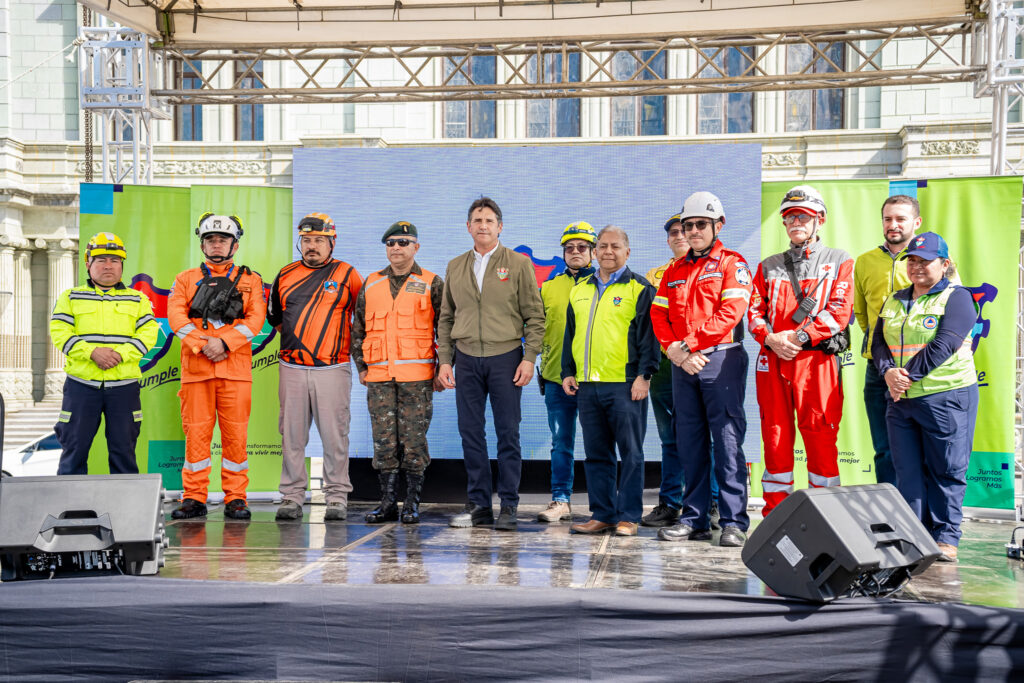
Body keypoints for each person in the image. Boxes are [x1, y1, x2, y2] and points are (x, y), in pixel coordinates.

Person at [651, 193, 752, 547]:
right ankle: (693, 519)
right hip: (683, 363)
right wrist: (674, 351)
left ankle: (734, 521)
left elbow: (731, 313)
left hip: (721, 361)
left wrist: (688, 346)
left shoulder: (732, 263)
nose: (693, 231)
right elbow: (658, 314)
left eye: (700, 224)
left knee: (726, 442)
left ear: (717, 226)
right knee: (689, 443)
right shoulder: (674, 270)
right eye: (688, 225)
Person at [438, 197, 545, 531]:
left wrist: (529, 357)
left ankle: (509, 505)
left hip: (506, 358)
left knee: (507, 433)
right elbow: (446, 317)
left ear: (500, 227)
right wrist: (445, 360)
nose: (482, 225)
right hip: (467, 359)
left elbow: (535, 316)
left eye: (489, 220)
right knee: (470, 433)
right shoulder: (456, 266)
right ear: (468, 227)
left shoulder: (518, 263)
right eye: (477, 220)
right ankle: (479, 506)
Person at [747, 186, 854, 516]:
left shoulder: (840, 260)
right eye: (790, 217)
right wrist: (770, 339)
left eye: (803, 216)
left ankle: (827, 516)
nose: (796, 222)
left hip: (816, 362)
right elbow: (753, 311)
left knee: (820, 436)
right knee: (775, 438)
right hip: (773, 359)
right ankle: (775, 515)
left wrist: (798, 338)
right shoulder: (768, 266)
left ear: (820, 219)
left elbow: (839, 312)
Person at [872, 232, 978, 563]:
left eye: (925, 261)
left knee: (946, 469)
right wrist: (888, 372)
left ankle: (946, 537)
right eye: (912, 261)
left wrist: (904, 376)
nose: (917, 266)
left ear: (944, 264)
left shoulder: (957, 297)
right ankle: (914, 535)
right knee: (907, 471)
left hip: (946, 397)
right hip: (901, 401)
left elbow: (945, 343)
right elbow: (877, 342)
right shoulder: (894, 299)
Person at [168, 213, 267, 520]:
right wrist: (204, 344)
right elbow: (176, 318)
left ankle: (236, 498)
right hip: (196, 372)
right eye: (210, 239)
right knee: (196, 435)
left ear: (234, 245)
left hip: (235, 372)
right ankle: (193, 497)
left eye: (223, 239)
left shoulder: (252, 280)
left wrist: (224, 343)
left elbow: (256, 320)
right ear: (202, 244)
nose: (216, 244)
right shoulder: (184, 279)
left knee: (235, 437)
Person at [564, 226, 660, 537]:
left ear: (627, 252)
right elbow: (570, 334)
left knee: (631, 453)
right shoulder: (579, 290)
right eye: (603, 246)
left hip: (625, 384)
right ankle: (602, 514)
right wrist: (567, 371)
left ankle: (629, 517)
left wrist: (645, 376)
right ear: (595, 252)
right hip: (587, 385)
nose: (608, 251)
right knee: (596, 454)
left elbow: (650, 338)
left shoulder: (639, 288)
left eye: (615, 246)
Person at [267, 213, 362, 522]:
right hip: (291, 368)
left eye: (319, 240)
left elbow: (361, 320)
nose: (312, 246)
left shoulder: (348, 274)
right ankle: (292, 497)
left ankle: (336, 497)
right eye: (307, 240)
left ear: (332, 242)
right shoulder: (285, 274)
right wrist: (302, 346)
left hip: (333, 368)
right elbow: (276, 318)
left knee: (335, 436)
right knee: (291, 436)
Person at [351, 220, 443, 525]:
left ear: (416, 247)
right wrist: (362, 367)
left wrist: (443, 367)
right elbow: (358, 328)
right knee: (384, 443)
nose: (396, 248)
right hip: (379, 379)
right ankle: (388, 503)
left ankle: (412, 503)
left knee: (414, 442)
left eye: (403, 243)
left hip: (417, 379)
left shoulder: (432, 282)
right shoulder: (371, 283)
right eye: (390, 243)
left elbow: (445, 329)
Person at [49, 232, 158, 475]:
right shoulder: (70, 297)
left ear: (122, 265)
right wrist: (92, 353)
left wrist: (120, 355)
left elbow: (149, 334)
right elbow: (59, 332)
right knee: (74, 450)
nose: (108, 265)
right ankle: (69, 500)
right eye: (101, 260)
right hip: (81, 386)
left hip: (124, 387)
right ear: (88, 264)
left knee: (124, 451)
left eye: (114, 260)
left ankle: (126, 500)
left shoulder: (138, 299)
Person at [853, 195, 921, 486]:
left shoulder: (931, 260)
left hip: (918, 369)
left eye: (901, 219)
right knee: (884, 449)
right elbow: (861, 313)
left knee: (920, 446)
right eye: (888, 219)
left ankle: (918, 509)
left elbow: (951, 304)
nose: (893, 225)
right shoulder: (865, 261)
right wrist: (882, 351)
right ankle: (888, 507)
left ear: (916, 222)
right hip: (878, 369)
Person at [536, 221, 596, 523]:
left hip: (595, 379)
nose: (575, 252)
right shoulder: (548, 287)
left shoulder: (603, 284)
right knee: (561, 442)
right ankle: (561, 500)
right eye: (569, 247)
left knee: (599, 444)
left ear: (593, 251)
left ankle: (604, 504)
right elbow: (534, 328)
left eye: (582, 247)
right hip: (556, 378)